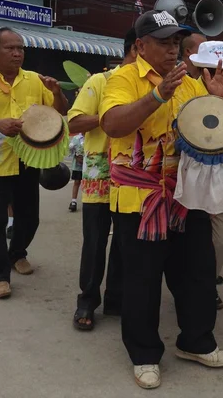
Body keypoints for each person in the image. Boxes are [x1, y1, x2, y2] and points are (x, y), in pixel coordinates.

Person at [100, 10, 223, 389]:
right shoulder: (122, 79)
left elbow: (209, 132)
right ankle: (144, 353)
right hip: (140, 200)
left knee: (199, 273)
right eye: (164, 41)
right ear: (140, 46)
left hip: (186, 196)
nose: (173, 49)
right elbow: (113, 124)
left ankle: (195, 341)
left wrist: (217, 100)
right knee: (142, 281)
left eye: (177, 42)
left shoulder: (191, 83)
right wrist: (157, 95)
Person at [0, 27, 69, 299]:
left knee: (29, 217)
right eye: (10, 48)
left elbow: (60, 111)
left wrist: (56, 92)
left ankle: (17, 254)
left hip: (27, 160)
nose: (17, 53)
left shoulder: (35, 80)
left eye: (20, 48)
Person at [67, 28, 138, 331]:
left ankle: (116, 299)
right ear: (138, 47)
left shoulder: (149, 87)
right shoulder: (101, 81)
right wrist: (110, 116)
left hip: (133, 179)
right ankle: (87, 302)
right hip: (100, 176)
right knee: (95, 242)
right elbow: (74, 121)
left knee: (125, 243)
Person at [188, 39, 223, 310]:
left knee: (220, 241)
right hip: (192, 180)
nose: (219, 74)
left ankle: (210, 280)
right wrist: (212, 101)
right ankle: (195, 287)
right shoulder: (183, 91)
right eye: (211, 68)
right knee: (192, 241)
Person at [68, 133, 84, 212]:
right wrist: (75, 154)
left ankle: (86, 200)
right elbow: (70, 149)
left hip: (88, 165)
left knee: (87, 182)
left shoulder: (91, 137)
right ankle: (73, 201)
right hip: (77, 165)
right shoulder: (76, 138)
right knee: (77, 182)